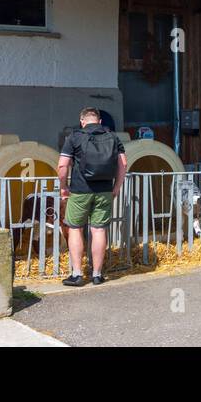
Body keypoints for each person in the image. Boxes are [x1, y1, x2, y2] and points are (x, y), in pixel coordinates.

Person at [58, 107, 127, 286]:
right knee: (99, 230)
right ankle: (97, 274)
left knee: (75, 229)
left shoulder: (74, 137)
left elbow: (62, 166)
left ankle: (77, 274)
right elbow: (123, 164)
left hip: (80, 191)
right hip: (104, 190)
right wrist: (116, 187)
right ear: (100, 121)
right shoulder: (113, 137)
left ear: (82, 121)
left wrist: (64, 187)